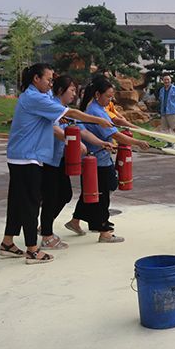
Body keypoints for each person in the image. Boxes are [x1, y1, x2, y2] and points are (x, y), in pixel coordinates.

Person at [0, 64, 113, 265]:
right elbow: (72, 115)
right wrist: (99, 121)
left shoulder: (36, 97)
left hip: (24, 156)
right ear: (36, 79)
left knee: (19, 201)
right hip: (27, 157)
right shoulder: (35, 98)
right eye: (49, 80)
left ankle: (7, 243)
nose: (51, 84)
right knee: (30, 203)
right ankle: (33, 250)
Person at [67, 75, 150, 243]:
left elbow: (117, 122)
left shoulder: (97, 108)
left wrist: (139, 130)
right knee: (103, 193)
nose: (110, 99)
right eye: (108, 96)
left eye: (112, 96)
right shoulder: (96, 111)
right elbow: (116, 135)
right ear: (97, 94)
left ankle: (77, 220)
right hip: (97, 161)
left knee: (95, 191)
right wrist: (138, 142)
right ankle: (104, 230)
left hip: (99, 159)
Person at [39, 75, 115, 250]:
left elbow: (83, 132)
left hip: (61, 160)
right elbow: (54, 130)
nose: (74, 94)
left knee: (64, 194)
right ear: (60, 91)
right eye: (72, 90)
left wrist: (100, 143)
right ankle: (46, 233)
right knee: (51, 197)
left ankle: (45, 227)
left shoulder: (64, 109)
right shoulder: (52, 107)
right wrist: (73, 140)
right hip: (49, 159)